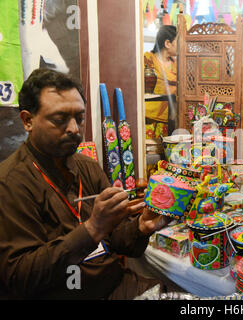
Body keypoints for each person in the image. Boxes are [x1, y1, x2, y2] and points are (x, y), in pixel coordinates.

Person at [0, 68, 171, 299]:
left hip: (117, 286)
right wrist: (92, 229)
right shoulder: (10, 183)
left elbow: (117, 239)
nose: (74, 128)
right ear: (28, 120)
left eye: (79, 118)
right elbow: (19, 277)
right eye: (59, 119)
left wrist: (141, 227)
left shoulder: (86, 166)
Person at [144, 25, 177, 141]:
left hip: (169, 121)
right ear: (167, 43)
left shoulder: (178, 65)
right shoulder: (147, 60)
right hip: (149, 119)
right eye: (178, 42)